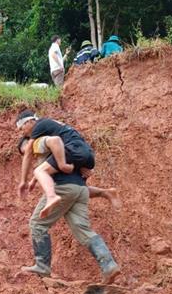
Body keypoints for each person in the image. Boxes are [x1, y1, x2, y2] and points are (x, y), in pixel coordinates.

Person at [15, 110, 121, 284]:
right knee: (83, 230)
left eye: (21, 130)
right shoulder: (59, 144)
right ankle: (109, 265)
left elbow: (32, 155)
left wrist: (24, 180)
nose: (28, 152)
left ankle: (42, 266)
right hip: (79, 189)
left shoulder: (38, 141)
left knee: (37, 223)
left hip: (62, 188)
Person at [17, 136, 120, 212]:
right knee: (76, 188)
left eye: (26, 151)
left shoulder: (42, 143)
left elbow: (64, 150)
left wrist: (79, 165)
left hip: (72, 162)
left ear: (29, 143)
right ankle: (105, 192)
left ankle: (105, 192)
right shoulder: (40, 153)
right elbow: (46, 165)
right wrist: (34, 180)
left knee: (69, 187)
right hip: (71, 166)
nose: (30, 155)